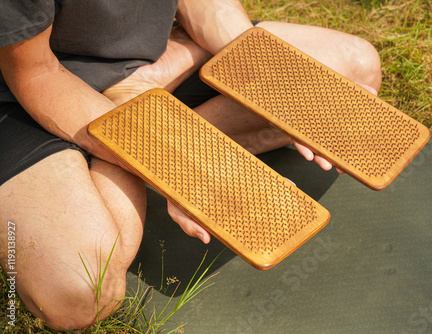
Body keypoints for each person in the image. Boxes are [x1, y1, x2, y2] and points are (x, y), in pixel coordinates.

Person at [0, 0, 381, 330]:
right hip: (29, 94)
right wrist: (169, 162)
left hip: (148, 64)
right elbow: (35, 74)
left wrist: (269, 80)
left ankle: (135, 110)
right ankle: (132, 127)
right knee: (84, 292)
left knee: (354, 68)